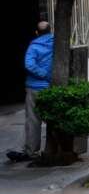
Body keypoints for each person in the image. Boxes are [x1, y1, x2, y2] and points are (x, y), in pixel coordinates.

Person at [6, 22, 53, 163]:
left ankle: (31, 151)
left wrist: (44, 74)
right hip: (51, 88)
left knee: (33, 120)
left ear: (36, 32)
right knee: (53, 119)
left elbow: (29, 64)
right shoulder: (56, 43)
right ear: (50, 31)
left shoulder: (34, 46)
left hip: (35, 88)